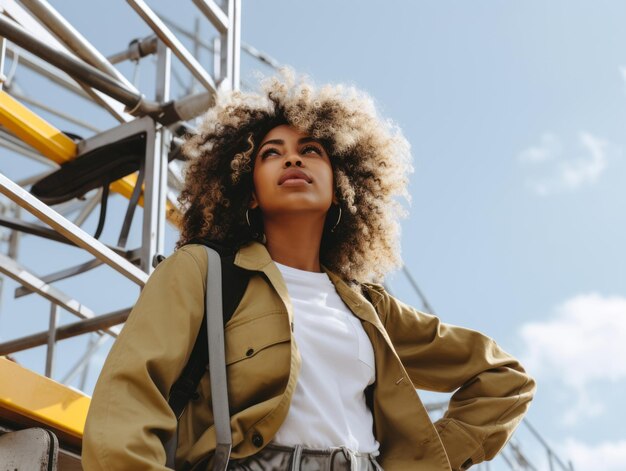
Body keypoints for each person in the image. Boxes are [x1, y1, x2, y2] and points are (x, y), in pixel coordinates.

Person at [82, 70, 535, 471]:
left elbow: (503, 378)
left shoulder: (367, 306)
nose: (293, 159)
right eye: (271, 153)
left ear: (341, 188)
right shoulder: (204, 271)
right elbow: (126, 404)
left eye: (311, 150)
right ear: (250, 191)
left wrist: (425, 462)